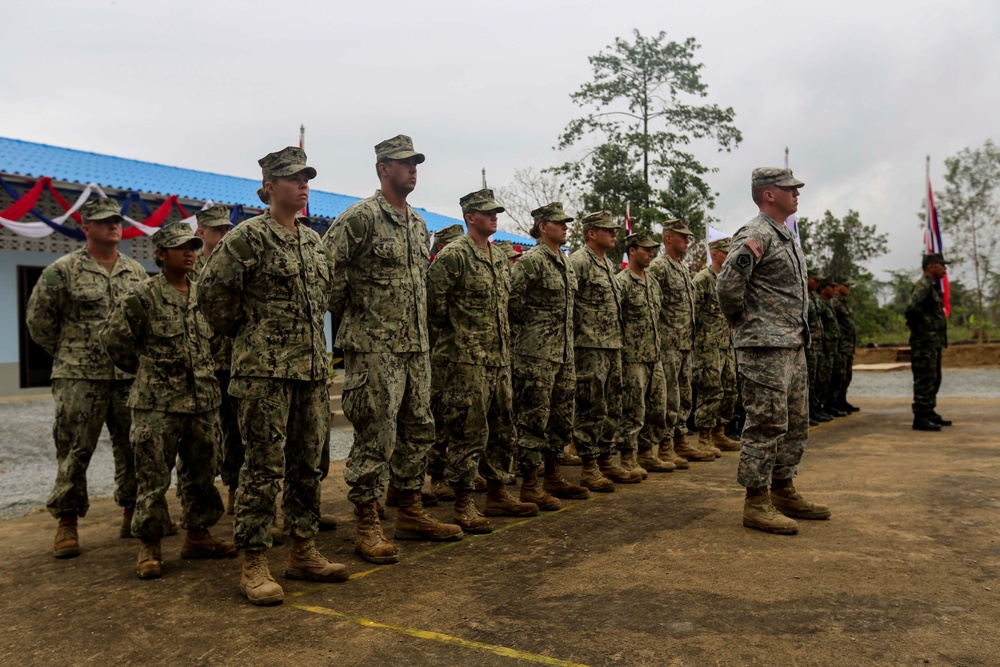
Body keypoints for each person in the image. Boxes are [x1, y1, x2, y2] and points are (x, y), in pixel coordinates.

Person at [199, 146, 348, 606]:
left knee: (307, 466)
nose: (302, 185)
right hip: (264, 374)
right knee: (261, 468)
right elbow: (211, 296)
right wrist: (251, 336)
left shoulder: (313, 241)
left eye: (306, 178)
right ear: (268, 188)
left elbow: (324, 300)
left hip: (309, 372)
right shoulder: (248, 237)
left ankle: (303, 548)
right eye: (292, 178)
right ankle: (255, 561)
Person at [325, 135, 463, 566]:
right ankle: (367, 520)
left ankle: (408, 508)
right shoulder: (360, 218)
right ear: (383, 168)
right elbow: (325, 272)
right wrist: (356, 316)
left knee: (419, 427)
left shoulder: (418, 224)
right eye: (404, 163)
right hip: (373, 348)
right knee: (376, 434)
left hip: (414, 347)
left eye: (416, 162)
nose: (413, 169)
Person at [101, 222, 236, 578]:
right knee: (152, 476)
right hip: (157, 404)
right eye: (180, 248)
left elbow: (219, 338)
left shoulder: (204, 295)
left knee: (202, 472)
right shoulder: (141, 296)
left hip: (203, 402)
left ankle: (198, 535)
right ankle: (150, 544)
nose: (190, 252)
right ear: (160, 254)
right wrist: (148, 371)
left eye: (193, 246)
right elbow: (114, 340)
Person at [25, 198, 147, 558]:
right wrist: (71, 354)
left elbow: (142, 323)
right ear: (86, 227)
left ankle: (132, 513)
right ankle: (67, 521)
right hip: (79, 378)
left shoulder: (136, 272)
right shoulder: (62, 271)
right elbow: (39, 322)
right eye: (104, 221)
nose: (113, 226)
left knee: (134, 448)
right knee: (75, 450)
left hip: (127, 377)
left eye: (116, 220)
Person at [717, 167, 830, 536]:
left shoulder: (786, 236)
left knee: (795, 422)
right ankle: (756, 500)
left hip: (792, 344)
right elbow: (728, 287)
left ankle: (783, 489)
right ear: (768, 194)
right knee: (766, 422)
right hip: (764, 345)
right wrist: (746, 325)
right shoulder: (755, 234)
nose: (796, 193)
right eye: (788, 188)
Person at [426, 189, 540, 532]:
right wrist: (458, 344)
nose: (493, 217)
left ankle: (497, 493)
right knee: (468, 433)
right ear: (469, 217)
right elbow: (434, 307)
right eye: (486, 212)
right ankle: (463, 503)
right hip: (465, 363)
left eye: (495, 212)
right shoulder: (455, 256)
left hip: (499, 359)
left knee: (502, 429)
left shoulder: (497, 257)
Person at [509, 202, 589, 510]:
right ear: (543, 227)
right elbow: (513, 303)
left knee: (560, 417)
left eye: (566, 222)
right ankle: (529, 484)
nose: (565, 226)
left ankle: (553, 476)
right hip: (535, 355)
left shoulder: (565, 262)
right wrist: (530, 337)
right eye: (559, 223)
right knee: (533, 419)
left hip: (563, 354)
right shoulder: (532, 261)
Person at [568, 210, 638, 491]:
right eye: (607, 230)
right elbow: (568, 303)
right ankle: (588, 465)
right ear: (591, 233)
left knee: (612, 404)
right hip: (589, 346)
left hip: (612, 345)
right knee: (591, 406)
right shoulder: (579, 262)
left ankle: (606, 458)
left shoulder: (608, 264)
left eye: (614, 229)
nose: (614, 234)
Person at [649, 219, 716, 464]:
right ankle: (665, 447)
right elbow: (653, 307)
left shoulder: (682, 268)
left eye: (688, 237)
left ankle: (680, 441)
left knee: (685, 396)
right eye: (682, 236)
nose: (687, 240)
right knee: (669, 397)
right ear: (668, 238)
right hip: (667, 344)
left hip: (686, 343)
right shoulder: (659, 267)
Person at [192, 204, 242, 513]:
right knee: (203, 437)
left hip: (233, 361)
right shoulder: (189, 266)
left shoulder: (236, 264)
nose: (224, 234)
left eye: (227, 229)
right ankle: (198, 502)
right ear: (201, 233)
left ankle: (236, 489)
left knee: (236, 431)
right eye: (218, 230)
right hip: (200, 365)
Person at [614, 231, 672, 477]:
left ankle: (647, 452)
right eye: (646, 249)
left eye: (653, 250)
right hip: (632, 357)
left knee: (658, 406)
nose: (651, 254)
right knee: (633, 409)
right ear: (633, 250)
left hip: (653, 355)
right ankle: (627, 456)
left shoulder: (653, 283)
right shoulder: (622, 282)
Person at [692, 237, 740, 453]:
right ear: (715, 254)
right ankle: (704, 437)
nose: (730, 256)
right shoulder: (702, 280)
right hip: (707, 346)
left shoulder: (729, 280)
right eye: (726, 252)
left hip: (726, 344)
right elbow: (692, 315)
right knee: (710, 390)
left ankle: (720, 433)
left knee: (729, 389)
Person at [905, 253, 951, 431]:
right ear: (931, 267)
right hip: (924, 343)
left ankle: (929, 410)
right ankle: (920, 417)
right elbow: (911, 309)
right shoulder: (923, 286)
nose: (945, 269)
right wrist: (924, 329)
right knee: (925, 378)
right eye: (942, 265)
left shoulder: (932, 287)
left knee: (934, 377)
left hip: (932, 342)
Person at [818, 280, 846, 418]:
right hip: (823, 347)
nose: (834, 289)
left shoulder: (828, 303)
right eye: (831, 286)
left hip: (834, 346)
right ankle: (817, 407)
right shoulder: (821, 303)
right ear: (823, 288)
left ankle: (832, 404)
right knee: (820, 378)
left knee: (834, 377)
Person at [805, 271, 830, 424]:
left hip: (819, 343)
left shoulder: (814, 298)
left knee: (818, 378)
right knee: (809, 378)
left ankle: (815, 409)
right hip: (809, 344)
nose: (818, 283)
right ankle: (808, 411)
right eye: (815, 280)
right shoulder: (802, 295)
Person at [832, 278, 859, 413]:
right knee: (839, 375)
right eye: (846, 285)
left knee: (846, 375)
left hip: (848, 345)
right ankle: (834, 403)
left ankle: (842, 400)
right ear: (837, 286)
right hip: (841, 345)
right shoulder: (835, 303)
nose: (849, 288)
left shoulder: (843, 303)